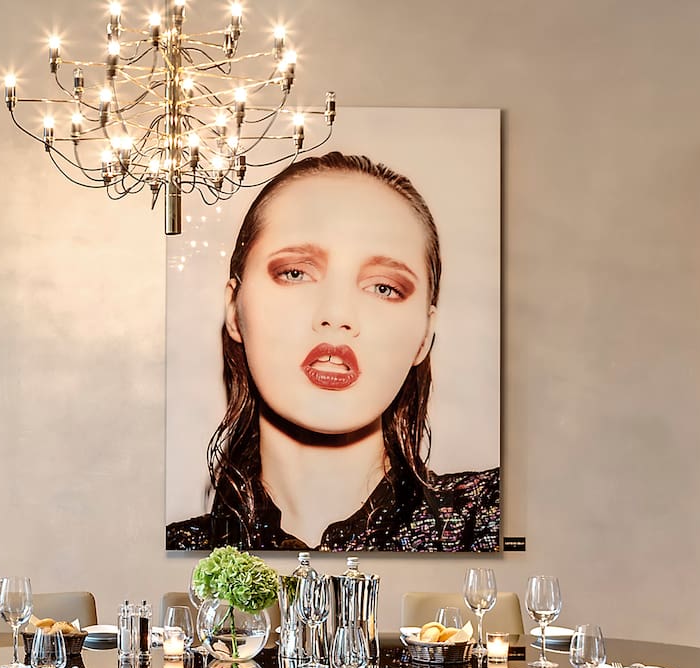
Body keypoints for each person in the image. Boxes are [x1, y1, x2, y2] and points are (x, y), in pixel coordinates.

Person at [166, 152, 499, 552]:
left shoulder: (490, 517)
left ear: (425, 335)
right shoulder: (182, 551)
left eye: (383, 287)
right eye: (295, 273)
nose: (337, 315)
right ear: (234, 311)